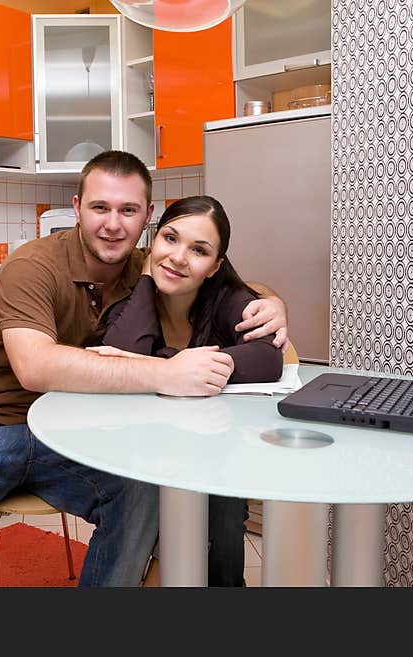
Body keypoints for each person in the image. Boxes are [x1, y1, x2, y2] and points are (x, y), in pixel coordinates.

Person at [0, 151, 289, 586]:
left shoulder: (150, 262)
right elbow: (34, 367)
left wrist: (272, 304)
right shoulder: (33, 265)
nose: (113, 224)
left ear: (148, 218)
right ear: (77, 208)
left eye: (128, 210)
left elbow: (225, 282)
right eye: (100, 207)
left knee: (142, 492)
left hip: (76, 429)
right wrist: (166, 373)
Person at [91, 195, 283, 586]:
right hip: (141, 448)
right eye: (170, 239)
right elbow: (120, 354)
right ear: (153, 242)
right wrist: (147, 277)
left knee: (223, 503)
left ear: (215, 266)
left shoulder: (229, 300)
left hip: (215, 449)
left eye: (198, 250)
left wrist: (202, 368)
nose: (179, 257)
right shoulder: (134, 301)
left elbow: (267, 358)